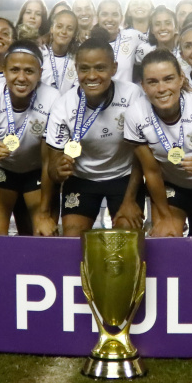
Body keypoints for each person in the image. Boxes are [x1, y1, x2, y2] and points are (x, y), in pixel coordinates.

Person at [45, 35, 145, 236]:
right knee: (72, 240)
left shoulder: (132, 94)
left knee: (126, 237)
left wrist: (130, 200)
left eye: (100, 68)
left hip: (124, 177)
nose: (92, 76)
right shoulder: (63, 106)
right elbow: (53, 167)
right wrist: (58, 169)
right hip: (82, 178)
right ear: (76, 68)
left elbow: (141, 155)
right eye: (84, 68)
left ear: (114, 68)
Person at [125, 50, 192, 236]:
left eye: (168, 79)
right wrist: (165, 217)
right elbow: (151, 171)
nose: (161, 88)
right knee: (167, 239)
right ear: (143, 86)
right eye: (152, 82)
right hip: (170, 188)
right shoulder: (136, 114)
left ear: (181, 79)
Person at [0, 41, 59, 236]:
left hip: (37, 172)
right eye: (14, 70)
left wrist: (44, 214)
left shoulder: (53, 99)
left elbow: (48, 160)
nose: (21, 78)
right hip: (2, 171)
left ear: (40, 72)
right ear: (4, 70)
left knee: (42, 236)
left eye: (29, 71)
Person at [95, 0, 151, 84]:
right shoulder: (89, 42)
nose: (110, 19)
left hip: (126, 96)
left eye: (115, 14)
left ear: (121, 18)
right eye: (104, 14)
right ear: (97, 17)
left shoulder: (133, 35)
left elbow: (154, 45)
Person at [40, 9, 80, 94]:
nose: (64, 32)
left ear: (74, 34)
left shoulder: (76, 59)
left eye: (69, 29)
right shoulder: (40, 53)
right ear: (52, 29)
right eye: (59, 26)